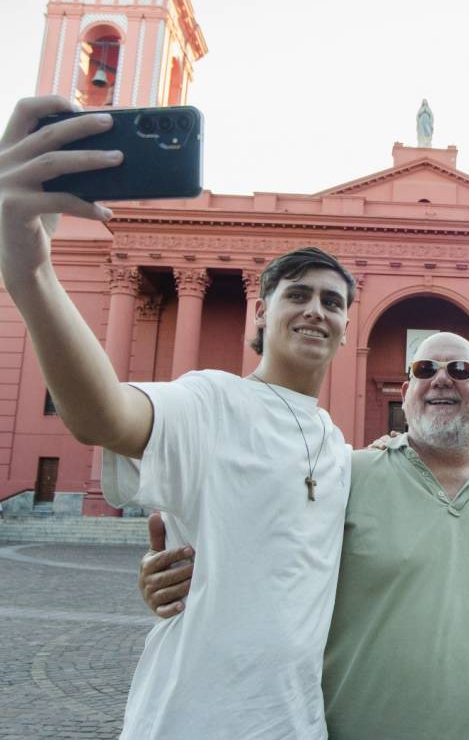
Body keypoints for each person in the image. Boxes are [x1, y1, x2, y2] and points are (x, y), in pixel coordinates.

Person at [0, 97, 356, 738]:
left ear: (346, 330)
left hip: (296, 723)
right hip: (190, 719)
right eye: (296, 294)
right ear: (259, 315)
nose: (315, 310)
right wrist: (31, 273)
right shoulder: (210, 400)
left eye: (332, 302)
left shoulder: (337, 446)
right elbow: (104, 416)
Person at [137, 331, 469, 739]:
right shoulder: (345, 474)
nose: (441, 379)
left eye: (459, 370)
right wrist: (182, 574)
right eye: (423, 370)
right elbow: (258, 541)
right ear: (405, 393)